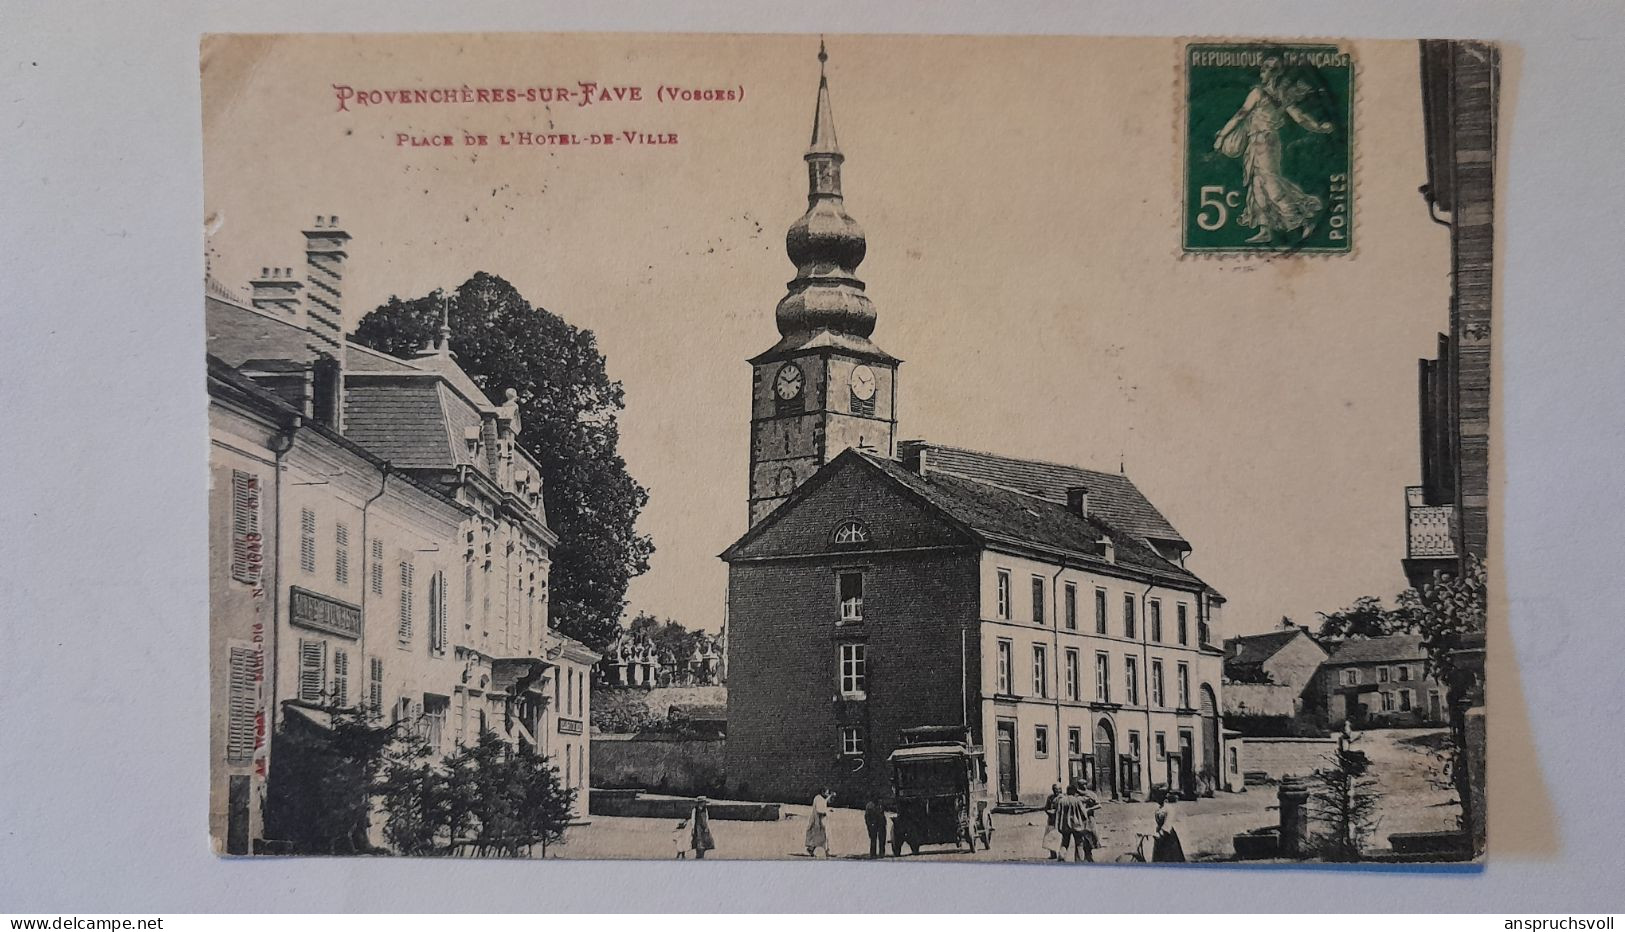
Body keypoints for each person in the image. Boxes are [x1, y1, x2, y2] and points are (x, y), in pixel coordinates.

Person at [1212, 57, 1336, 244]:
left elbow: (1241, 115)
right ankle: (1265, 229)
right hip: (1258, 142)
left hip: (1264, 141)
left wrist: (1222, 136)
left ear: (1276, 73)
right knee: (1257, 184)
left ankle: (1302, 220)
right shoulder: (1281, 98)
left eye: (1268, 70)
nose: (1264, 73)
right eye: (1263, 69)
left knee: (1270, 182)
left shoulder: (1260, 93)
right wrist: (1319, 127)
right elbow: (1300, 117)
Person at [1151, 793, 1186, 862]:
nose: (1158, 801)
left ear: (1164, 799)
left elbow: (1168, 821)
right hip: (1159, 833)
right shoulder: (1158, 809)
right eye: (1157, 799)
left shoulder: (1169, 808)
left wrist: (1162, 832)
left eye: (1159, 799)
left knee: (1170, 855)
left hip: (1168, 834)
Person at [805, 788, 833, 857]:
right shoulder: (818, 798)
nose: (827, 794)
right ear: (822, 792)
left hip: (820, 820)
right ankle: (814, 849)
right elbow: (819, 809)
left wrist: (830, 796)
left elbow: (825, 802)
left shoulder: (820, 798)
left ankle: (823, 850)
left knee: (822, 835)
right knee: (818, 835)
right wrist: (826, 811)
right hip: (818, 820)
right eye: (826, 793)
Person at [1042, 783, 1064, 860]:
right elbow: (1046, 807)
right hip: (1051, 820)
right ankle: (1053, 854)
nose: (1056, 791)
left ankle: (1060, 855)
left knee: (1059, 838)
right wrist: (1048, 812)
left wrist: (1056, 812)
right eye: (1054, 789)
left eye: (1057, 789)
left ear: (1060, 790)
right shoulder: (1050, 797)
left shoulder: (1062, 798)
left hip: (1059, 821)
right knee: (1050, 837)